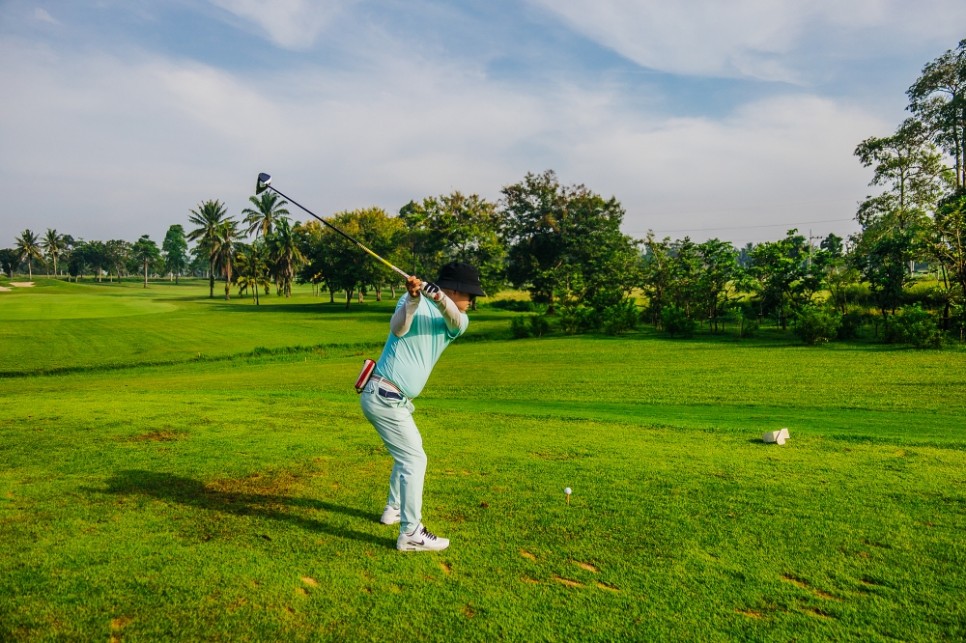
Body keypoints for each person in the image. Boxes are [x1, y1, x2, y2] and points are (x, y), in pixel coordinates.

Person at [360, 261, 486, 552]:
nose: (473, 301)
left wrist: (438, 297)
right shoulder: (410, 299)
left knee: (410, 451)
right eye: (471, 295)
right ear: (456, 290)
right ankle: (411, 533)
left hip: (395, 399)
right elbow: (399, 329)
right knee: (414, 459)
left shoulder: (458, 319)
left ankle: (393, 508)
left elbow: (453, 318)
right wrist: (415, 300)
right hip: (384, 394)